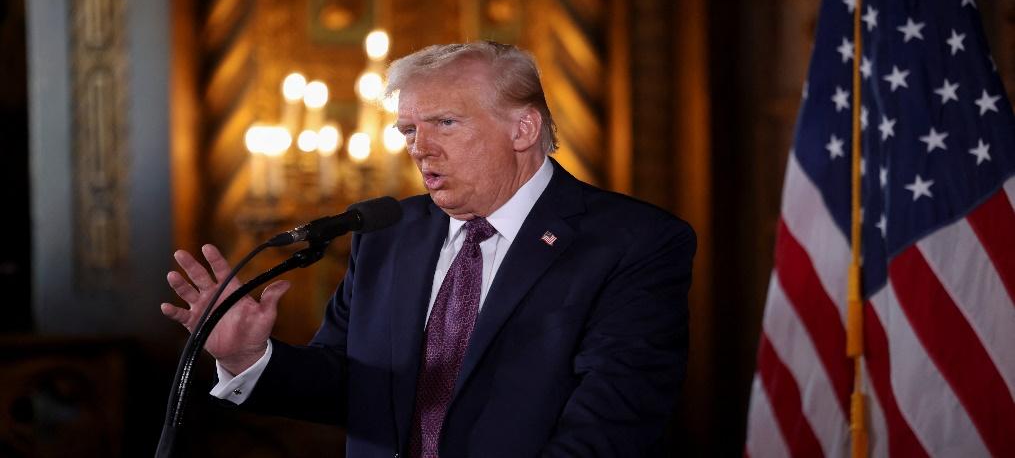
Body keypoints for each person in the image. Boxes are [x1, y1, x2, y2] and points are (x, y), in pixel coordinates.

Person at [161, 41, 695, 457]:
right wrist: (246, 355)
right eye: (408, 129)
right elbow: (349, 387)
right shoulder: (388, 232)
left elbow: (614, 423)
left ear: (524, 128)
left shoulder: (632, 242)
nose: (420, 147)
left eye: (445, 122)